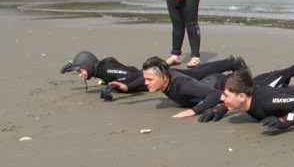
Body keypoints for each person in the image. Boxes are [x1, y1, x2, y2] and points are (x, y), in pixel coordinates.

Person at [59, 50, 247, 101]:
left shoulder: (107, 69)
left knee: (195, 73)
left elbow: (131, 73)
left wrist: (125, 85)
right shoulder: (102, 71)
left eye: (80, 70)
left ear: (88, 65)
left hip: (159, 77)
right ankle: (230, 63)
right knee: (196, 73)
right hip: (153, 80)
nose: (80, 74)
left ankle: (232, 63)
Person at [141, 55, 258, 118]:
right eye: (145, 79)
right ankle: (231, 63)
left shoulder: (183, 86)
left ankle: (238, 69)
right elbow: (141, 80)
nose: (145, 82)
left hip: (217, 83)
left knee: (251, 85)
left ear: (164, 78)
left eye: (149, 79)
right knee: (196, 72)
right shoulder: (163, 78)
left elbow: (215, 94)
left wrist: (193, 111)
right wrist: (128, 86)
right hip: (205, 82)